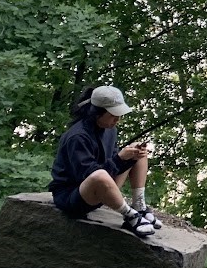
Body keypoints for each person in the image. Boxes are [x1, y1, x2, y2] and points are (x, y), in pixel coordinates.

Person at [49, 84, 162, 237]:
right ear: (97, 113)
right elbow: (89, 175)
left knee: (137, 150)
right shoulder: (77, 137)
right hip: (74, 198)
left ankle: (139, 205)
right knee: (99, 175)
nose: (118, 119)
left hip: (101, 189)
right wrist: (120, 158)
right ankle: (130, 216)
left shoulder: (110, 129)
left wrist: (128, 158)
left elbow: (111, 165)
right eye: (114, 115)